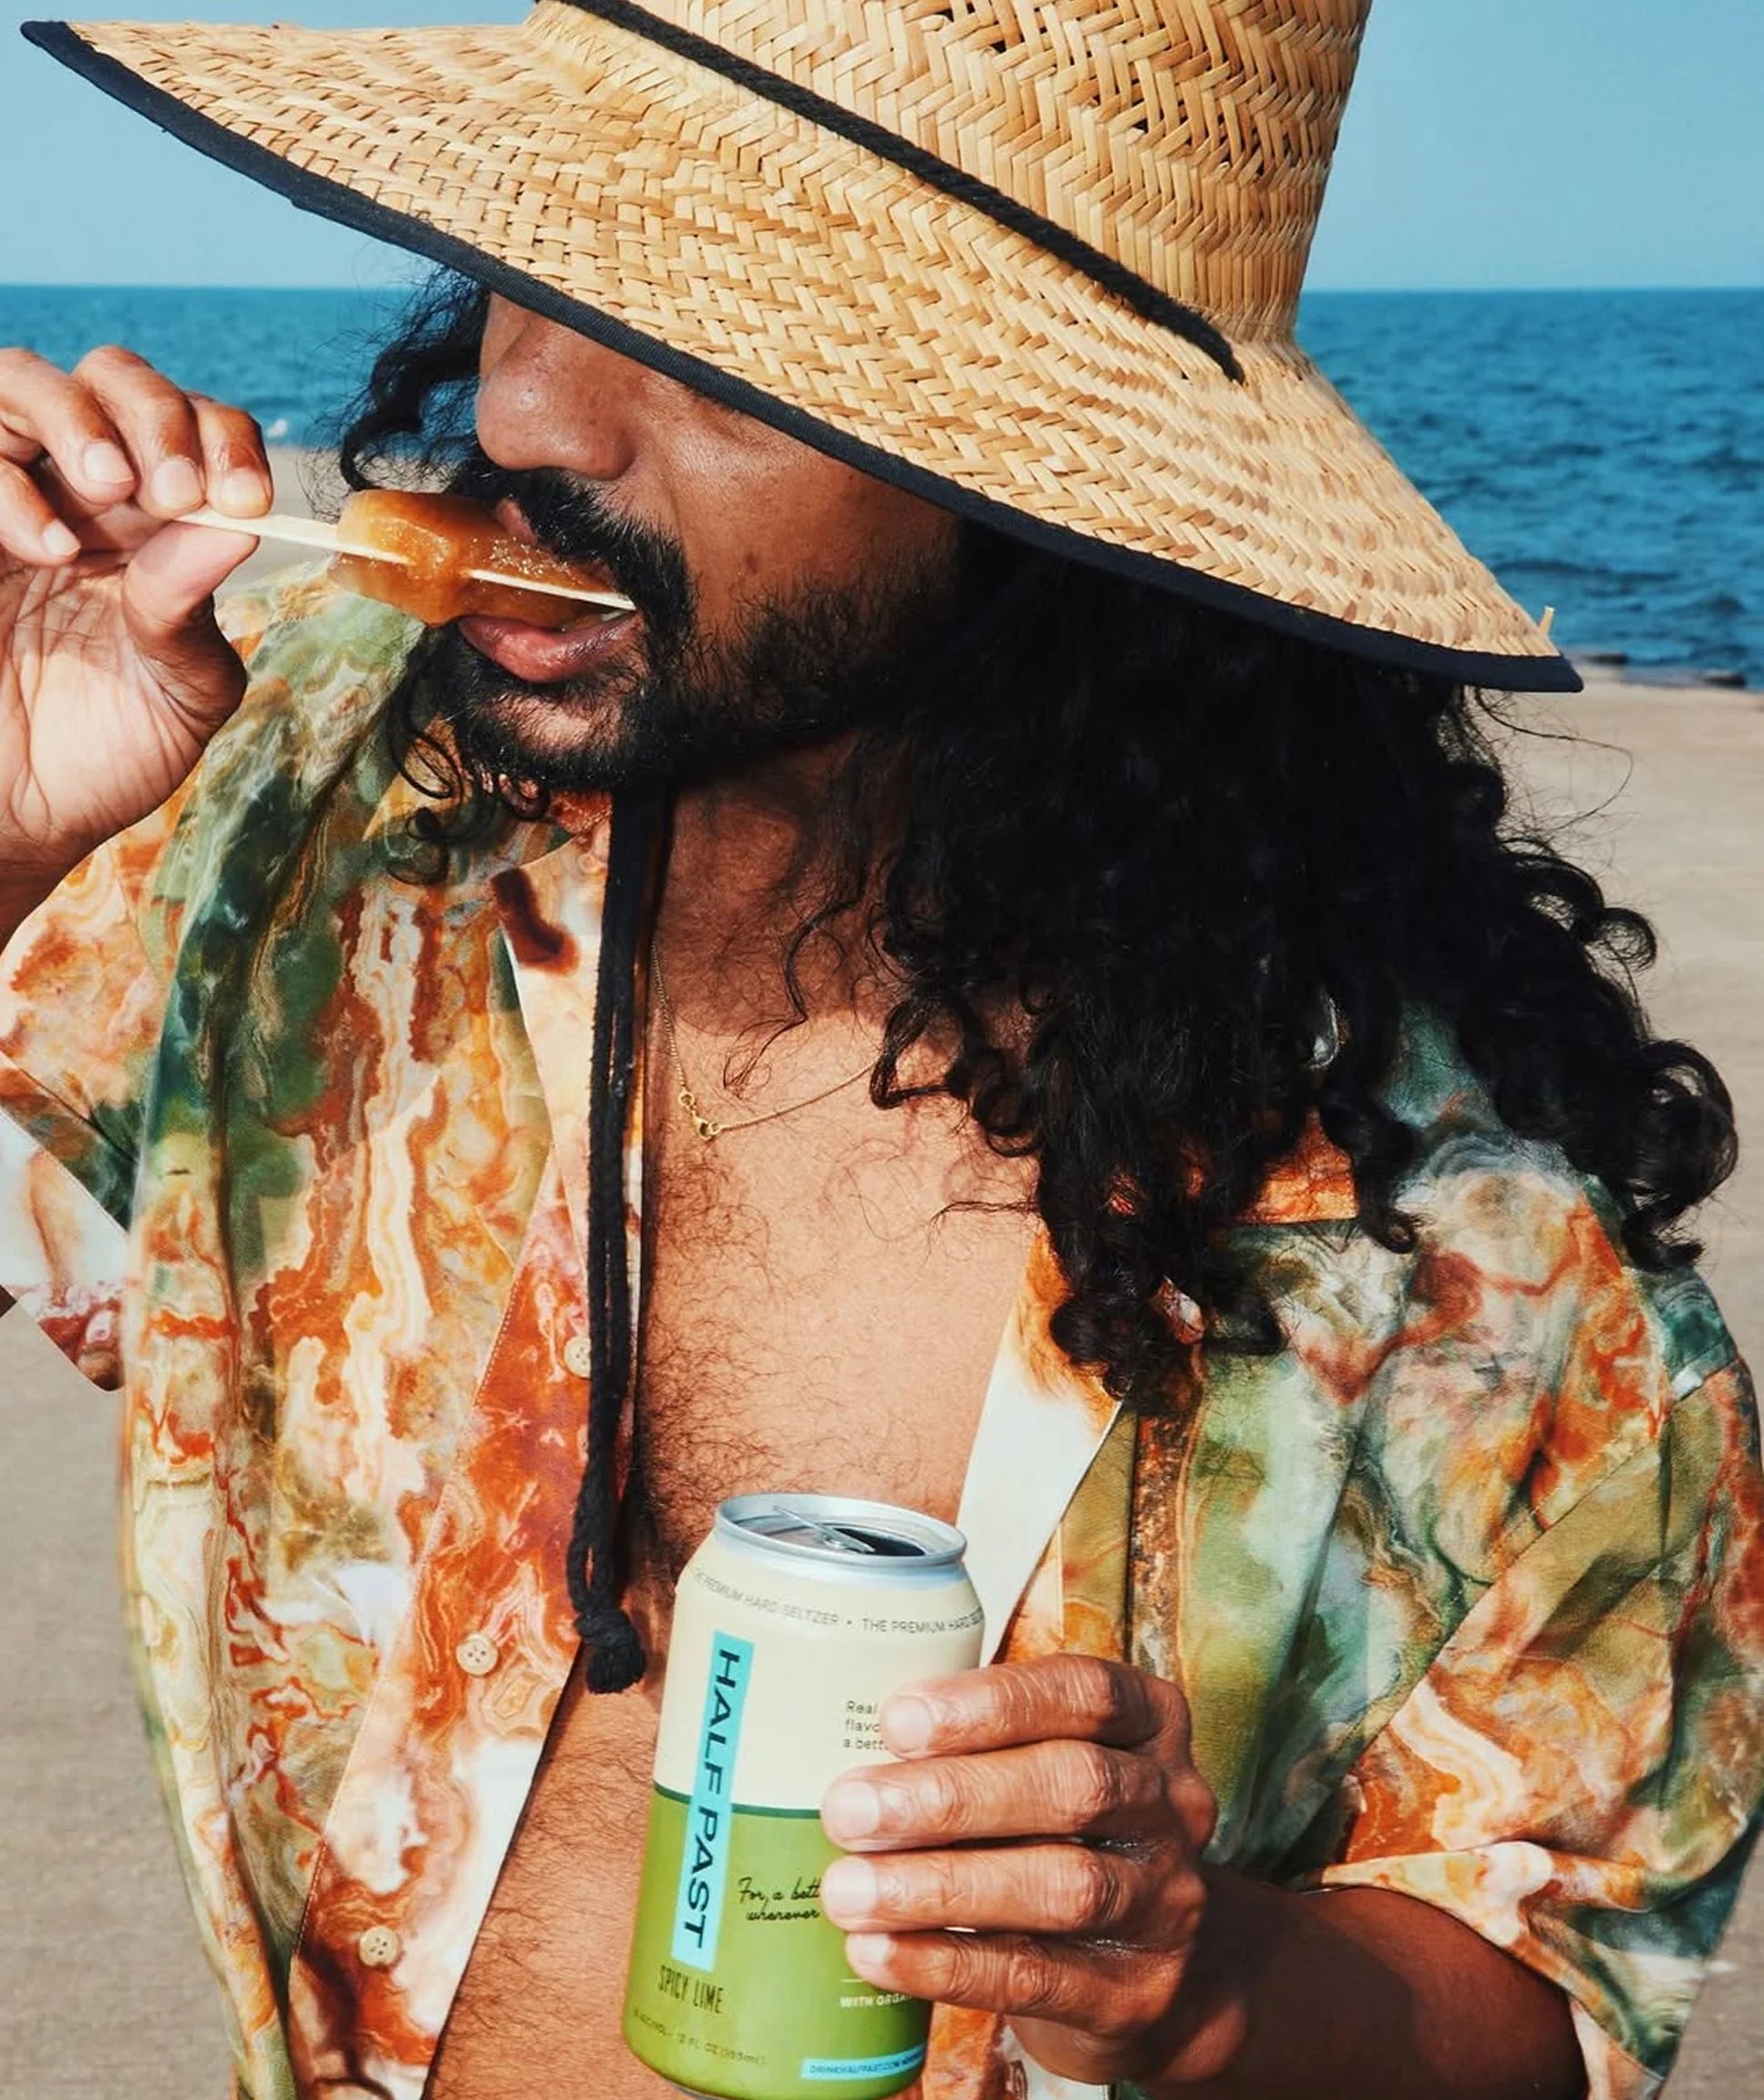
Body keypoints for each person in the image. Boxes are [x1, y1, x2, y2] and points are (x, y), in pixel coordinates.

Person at [2, 3, 1760, 2097]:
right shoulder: (303, 808)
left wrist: (1203, 1987)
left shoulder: (1461, 1244)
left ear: (1048, 461)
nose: (534, 413)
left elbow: (1550, 1979)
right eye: (530, 274)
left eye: (714, 331)